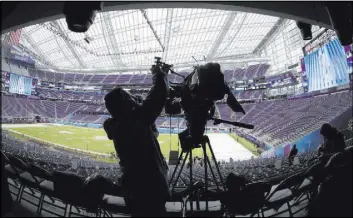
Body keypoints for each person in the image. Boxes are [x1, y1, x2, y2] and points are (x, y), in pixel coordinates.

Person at [103, 64, 170, 217]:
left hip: (133, 187)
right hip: (150, 189)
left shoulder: (121, 126)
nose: (133, 100)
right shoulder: (134, 123)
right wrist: (159, 74)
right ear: (125, 104)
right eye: (129, 98)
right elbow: (158, 96)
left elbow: (153, 134)